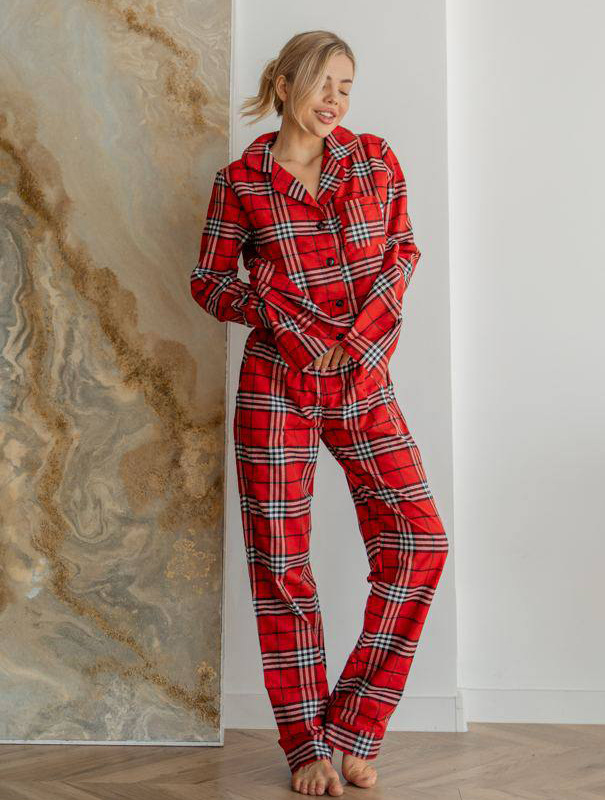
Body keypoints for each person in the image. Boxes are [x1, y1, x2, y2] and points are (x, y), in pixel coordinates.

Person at [190, 30, 449, 797]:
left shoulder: (374, 159)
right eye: (322, 83)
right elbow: (210, 281)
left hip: (363, 383)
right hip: (276, 386)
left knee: (420, 539)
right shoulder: (241, 182)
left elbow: (402, 252)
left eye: (346, 85)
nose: (335, 99)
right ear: (284, 84)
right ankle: (306, 746)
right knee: (282, 565)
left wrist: (361, 344)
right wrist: (279, 313)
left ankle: (356, 726)